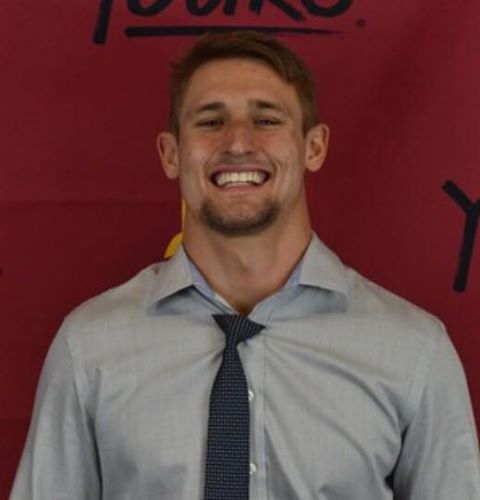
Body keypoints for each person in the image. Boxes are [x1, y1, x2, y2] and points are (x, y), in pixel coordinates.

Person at [10, 31, 480, 500]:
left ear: (314, 147)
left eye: (267, 119)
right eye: (210, 121)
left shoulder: (415, 352)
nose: (237, 142)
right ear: (171, 154)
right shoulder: (89, 347)